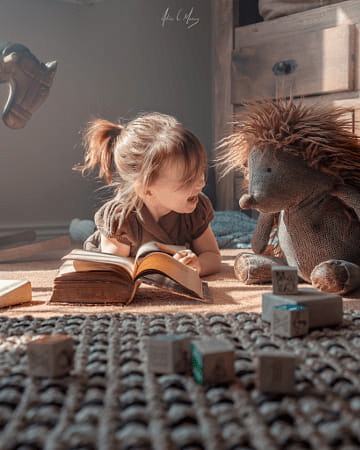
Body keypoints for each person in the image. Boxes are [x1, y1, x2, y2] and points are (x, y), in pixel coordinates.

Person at [76, 112, 221, 276]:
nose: (201, 182)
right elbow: (116, 270)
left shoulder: (196, 210)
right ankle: (76, 226)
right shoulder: (121, 219)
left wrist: (199, 264)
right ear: (146, 189)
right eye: (188, 180)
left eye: (200, 171)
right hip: (102, 241)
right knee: (84, 230)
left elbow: (213, 256)